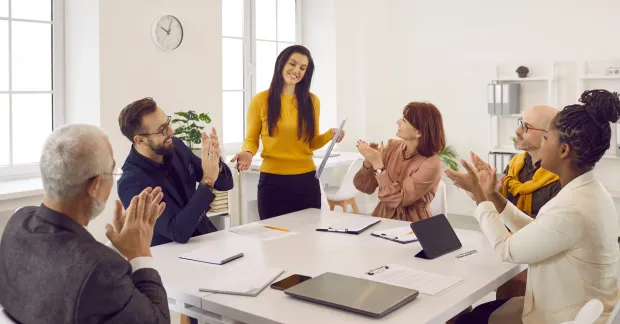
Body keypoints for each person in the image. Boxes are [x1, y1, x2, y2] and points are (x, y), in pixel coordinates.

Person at [446, 89, 620, 324]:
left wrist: (480, 196)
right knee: (476, 315)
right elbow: (542, 229)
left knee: (465, 320)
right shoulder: (591, 192)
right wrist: (492, 196)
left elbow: (506, 250)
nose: (541, 144)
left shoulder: (572, 206)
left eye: (546, 138)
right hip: (578, 306)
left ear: (564, 149)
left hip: (562, 316)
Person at [0, 124, 170, 323]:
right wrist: (140, 254)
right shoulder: (101, 270)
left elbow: (71, 277)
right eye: (112, 173)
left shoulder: (18, 222)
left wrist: (117, 247)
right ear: (96, 186)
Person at [230, 45, 344, 220]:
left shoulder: (312, 101)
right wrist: (247, 152)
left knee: (308, 239)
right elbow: (251, 139)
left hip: (306, 181)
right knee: (273, 239)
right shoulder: (260, 101)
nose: (296, 70)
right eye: (293, 64)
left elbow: (311, 143)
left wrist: (331, 134)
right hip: (272, 182)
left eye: (303, 68)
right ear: (281, 64)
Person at [117, 97, 233, 246]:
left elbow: (226, 183)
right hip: (170, 256)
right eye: (161, 130)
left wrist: (215, 161)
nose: (171, 131)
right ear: (140, 140)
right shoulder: (131, 182)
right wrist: (207, 180)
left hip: (206, 238)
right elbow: (177, 232)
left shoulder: (175, 146)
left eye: (167, 123)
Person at [493, 105, 561, 301]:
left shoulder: (560, 175)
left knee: (513, 285)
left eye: (526, 127)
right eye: (519, 124)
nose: (516, 131)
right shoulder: (515, 165)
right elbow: (502, 217)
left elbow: (546, 232)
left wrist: (493, 200)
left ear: (547, 136)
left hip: (540, 258)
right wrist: (484, 195)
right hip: (508, 247)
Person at [353, 102, 445, 222]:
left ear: (419, 133)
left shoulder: (432, 163)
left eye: (405, 120)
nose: (398, 121)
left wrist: (378, 164)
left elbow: (397, 199)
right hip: (381, 218)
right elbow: (364, 187)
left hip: (413, 225)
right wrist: (369, 161)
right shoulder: (392, 146)